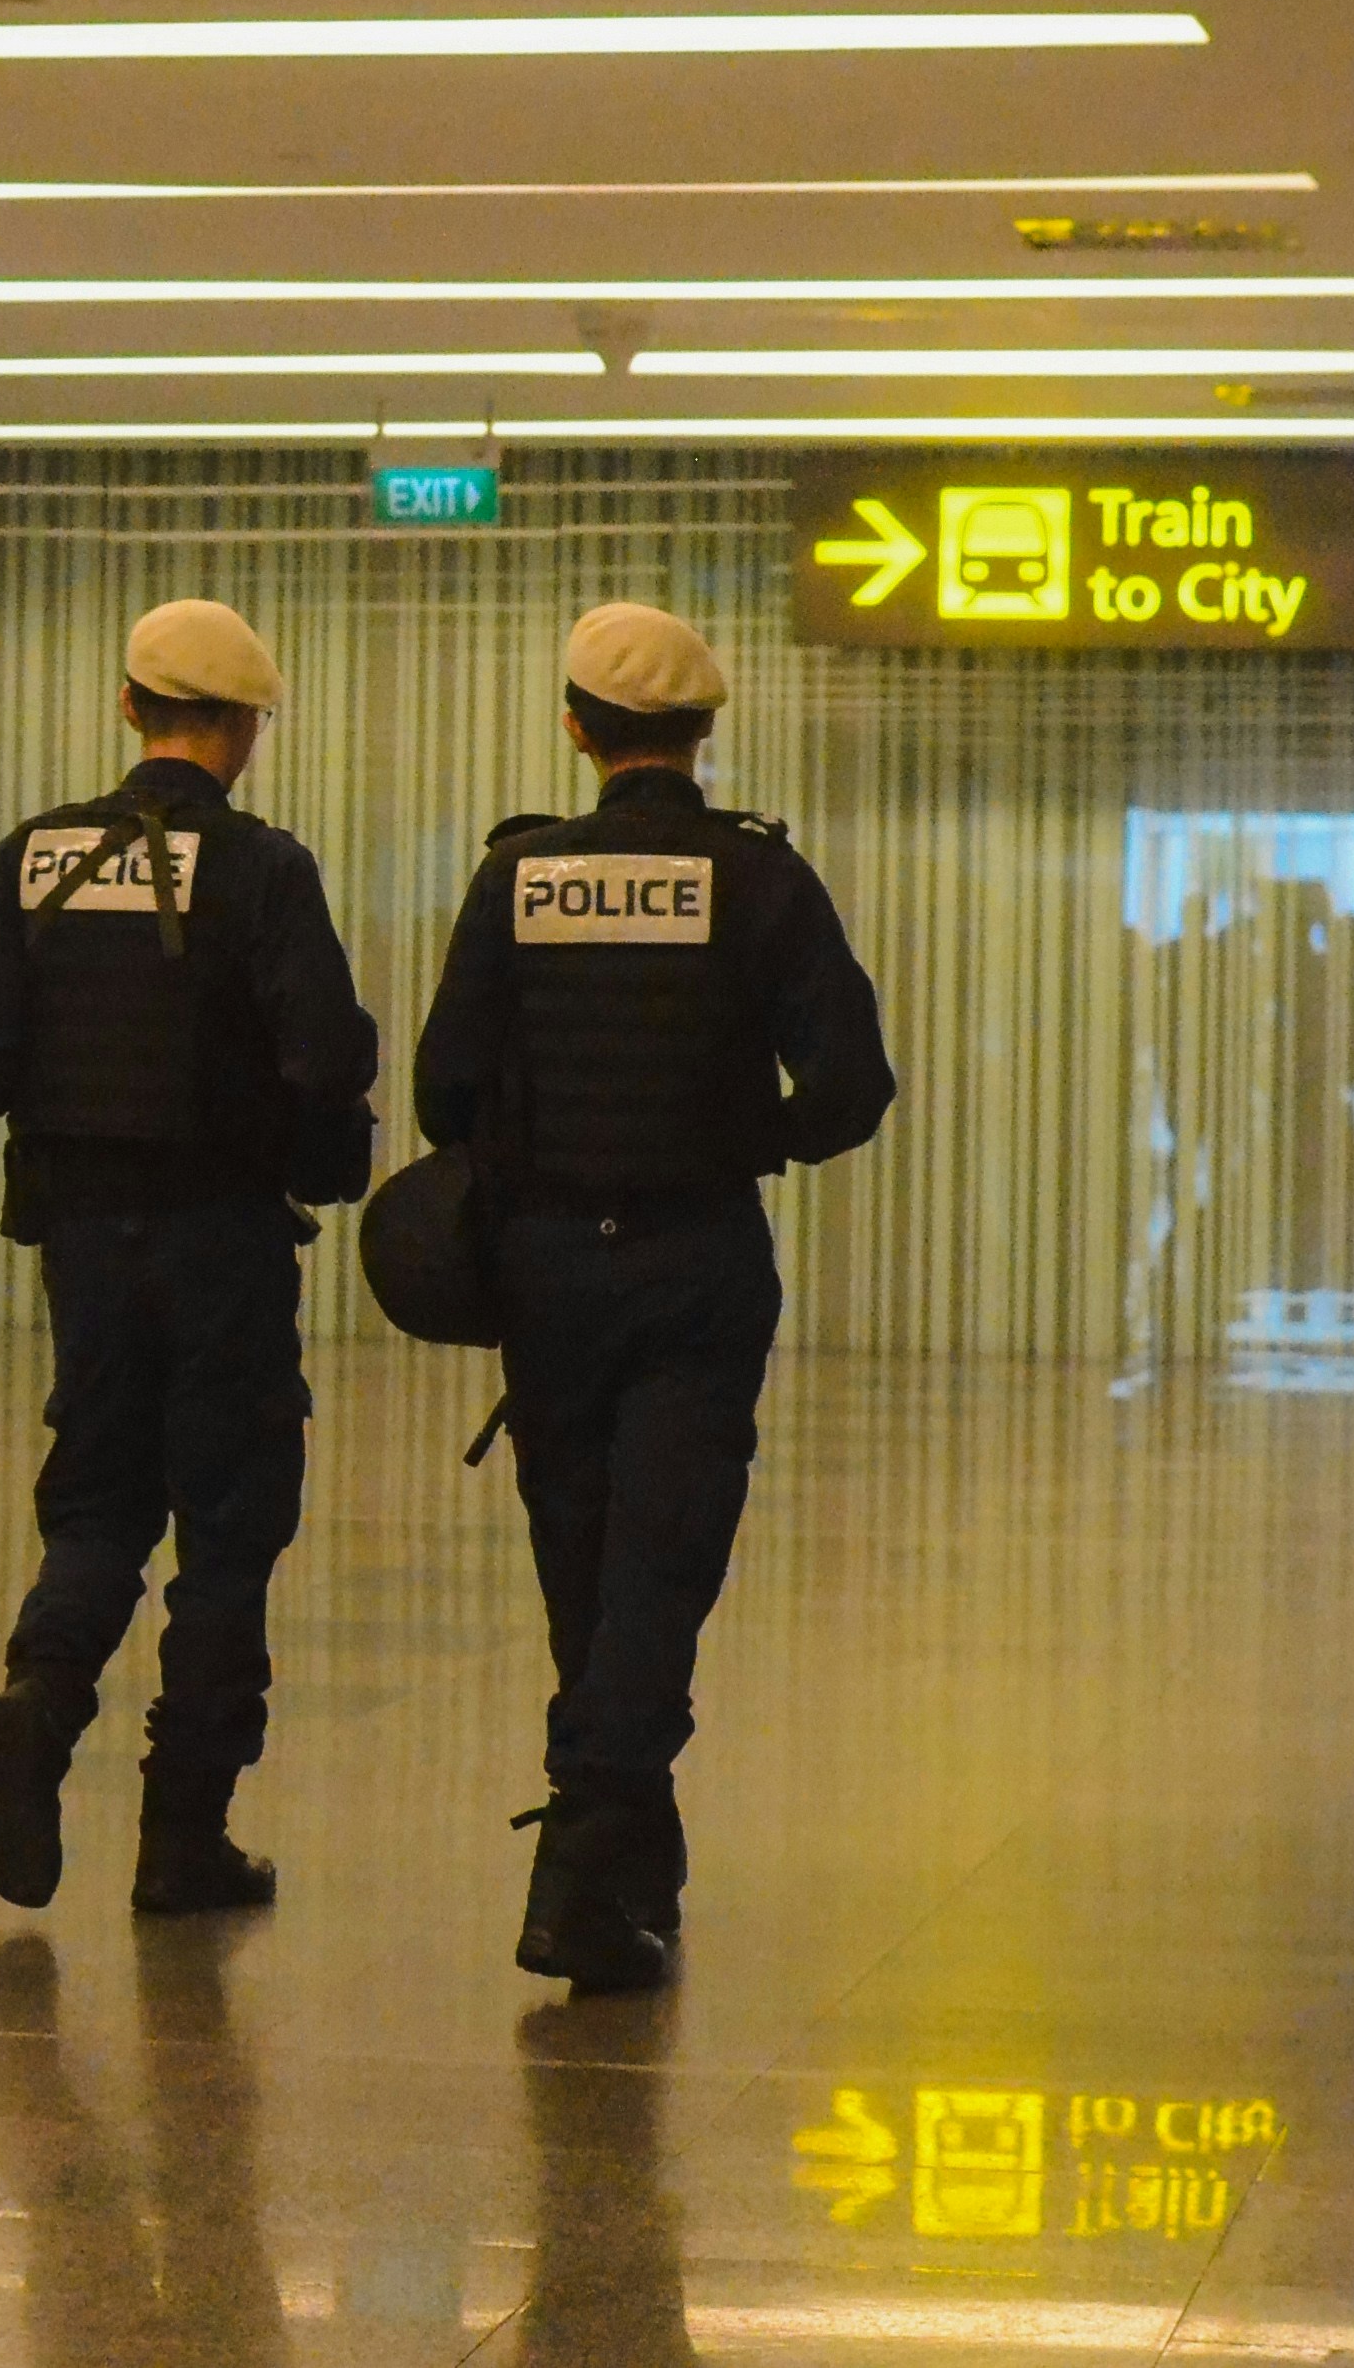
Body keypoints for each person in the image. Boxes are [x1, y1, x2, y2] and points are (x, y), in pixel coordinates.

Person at [413, 602, 895, 1991]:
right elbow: (851, 1089)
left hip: (546, 1269)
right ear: (700, 730)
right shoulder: (756, 881)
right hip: (695, 1261)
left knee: (585, 1561)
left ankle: (628, 1849)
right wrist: (753, 1141)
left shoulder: (517, 876)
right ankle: (580, 1867)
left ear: (574, 725)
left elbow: (446, 1086)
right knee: (661, 1560)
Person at [0, 598, 379, 1917]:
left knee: (97, 1499)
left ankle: (37, 1694)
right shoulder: (260, 868)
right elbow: (330, 1055)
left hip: (79, 1240)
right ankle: (182, 1835)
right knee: (226, 1532)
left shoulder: (34, 856)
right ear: (243, 729)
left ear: (127, 707)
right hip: (223, 1241)